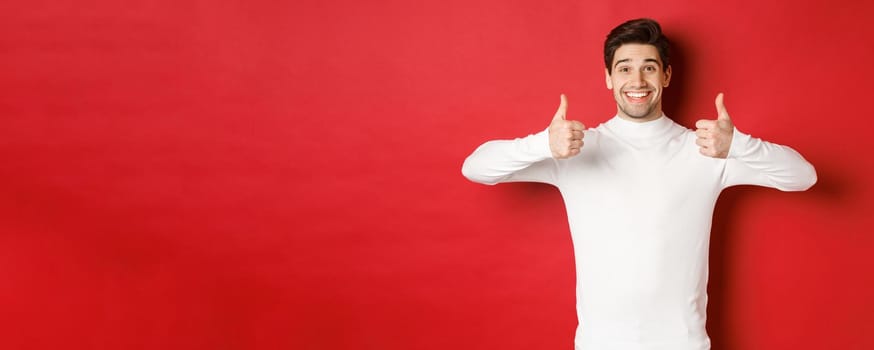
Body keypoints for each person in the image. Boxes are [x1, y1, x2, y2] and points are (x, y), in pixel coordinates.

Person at [461, 18, 816, 350]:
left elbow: (803, 177)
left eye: (649, 67)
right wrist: (541, 144)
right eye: (625, 68)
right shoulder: (575, 149)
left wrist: (738, 144)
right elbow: (476, 167)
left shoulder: (706, 150)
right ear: (608, 78)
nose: (637, 80)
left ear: (666, 76)